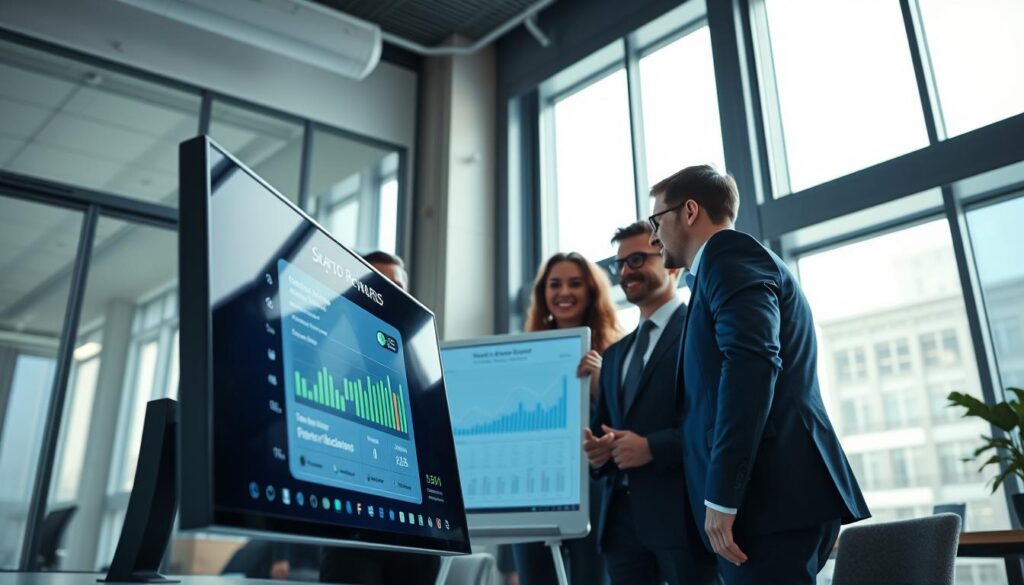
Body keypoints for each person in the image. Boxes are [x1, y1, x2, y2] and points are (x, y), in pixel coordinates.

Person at [648, 165, 870, 584]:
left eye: (657, 220)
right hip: (767, 500)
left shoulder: (728, 254)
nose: (654, 235)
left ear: (690, 211)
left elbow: (751, 367)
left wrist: (723, 496)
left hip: (765, 499)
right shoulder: (719, 268)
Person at [584, 221, 720, 585]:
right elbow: (604, 428)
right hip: (620, 528)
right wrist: (599, 453)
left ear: (672, 265)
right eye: (621, 263)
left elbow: (717, 421)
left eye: (638, 259)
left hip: (683, 520)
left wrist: (651, 448)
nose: (627, 271)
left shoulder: (701, 330)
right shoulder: (614, 355)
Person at [320, 251, 440, 585]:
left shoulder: (422, 359)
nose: (388, 293)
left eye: (397, 286)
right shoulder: (332, 345)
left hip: (418, 531)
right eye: (378, 283)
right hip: (355, 526)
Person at [514, 252, 622, 585]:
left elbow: (629, 423)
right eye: (555, 284)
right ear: (543, 293)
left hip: (596, 497)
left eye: (575, 284)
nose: (564, 292)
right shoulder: (525, 356)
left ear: (591, 291)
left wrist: (599, 387)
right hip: (535, 494)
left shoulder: (617, 352)